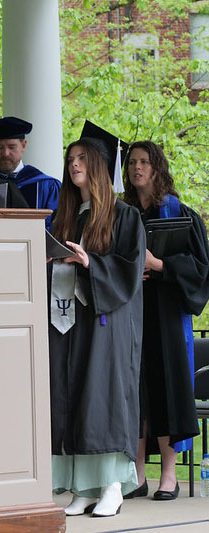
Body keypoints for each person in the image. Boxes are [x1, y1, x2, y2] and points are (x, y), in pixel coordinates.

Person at [48, 128, 145, 518]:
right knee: (75, 401)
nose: (74, 165)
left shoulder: (125, 216)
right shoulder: (68, 215)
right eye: (70, 160)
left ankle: (112, 487)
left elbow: (128, 271)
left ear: (101, 166)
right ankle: (82, 488)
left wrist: (91, 264)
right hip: (70, 322)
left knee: (101, 402)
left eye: (82, 159)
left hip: (107, 324)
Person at [122, 141, 209, 501]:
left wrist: (160, 266)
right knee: (134, 394)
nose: (137, 168)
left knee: (167, 393)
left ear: (157, 167)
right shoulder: (121, 213)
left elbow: (201, 269)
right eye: (131, 162)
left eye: (144, 162)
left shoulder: (181, 213)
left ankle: (169, 476)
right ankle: (137, 475)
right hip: (130, 315)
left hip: (168, 320)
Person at [0, 116, 60, 228]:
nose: (6, 153)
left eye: (12, 147)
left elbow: (55, 229)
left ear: (24, 145)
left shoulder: (45, 185)